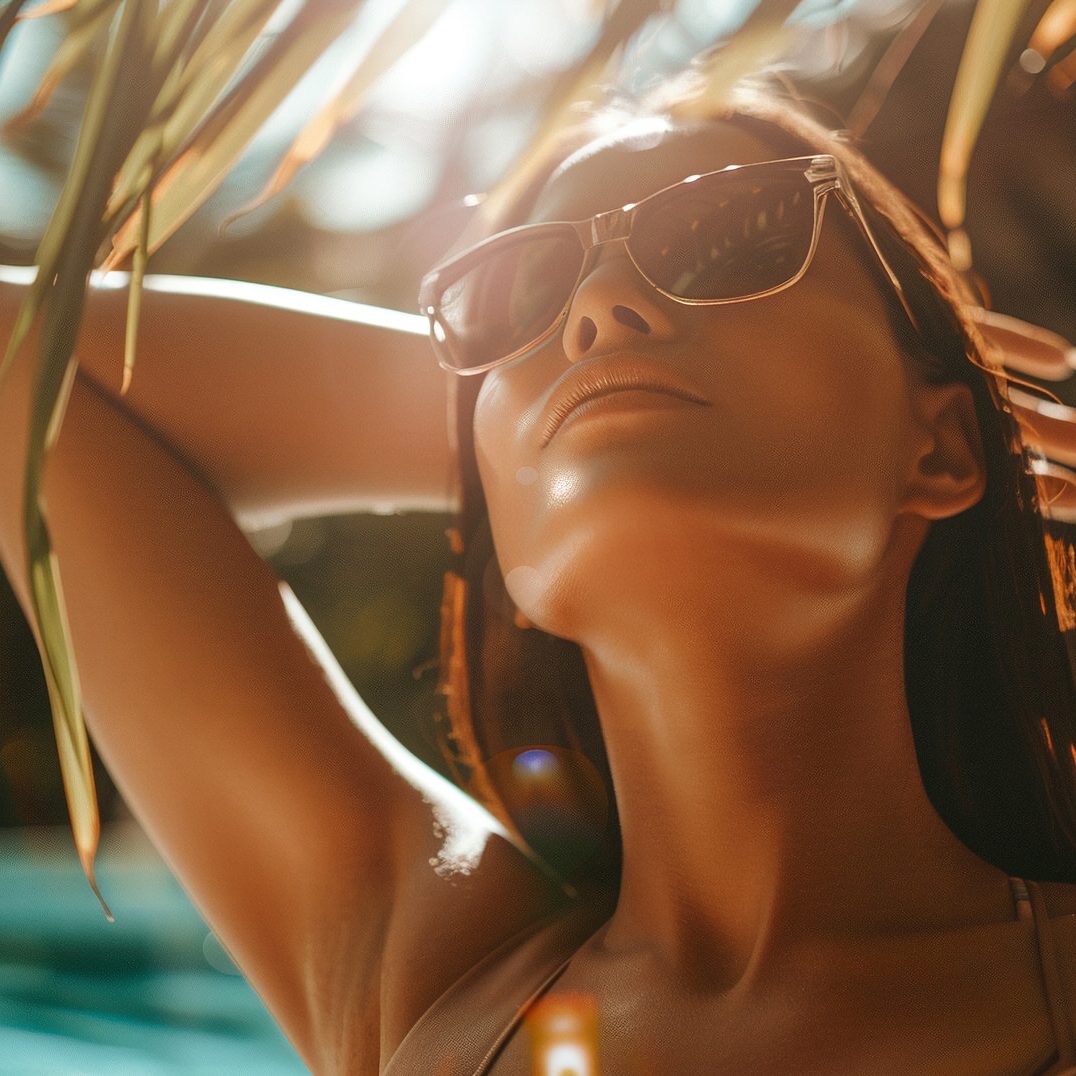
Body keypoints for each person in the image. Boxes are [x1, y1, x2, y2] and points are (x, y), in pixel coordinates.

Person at [1, 77, 1075, 1073]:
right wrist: (537, 417)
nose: (596, 301)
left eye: (721, 242)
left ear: (940, 452)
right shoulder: (430, 984)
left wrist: (575, 408)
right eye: (521, 293)